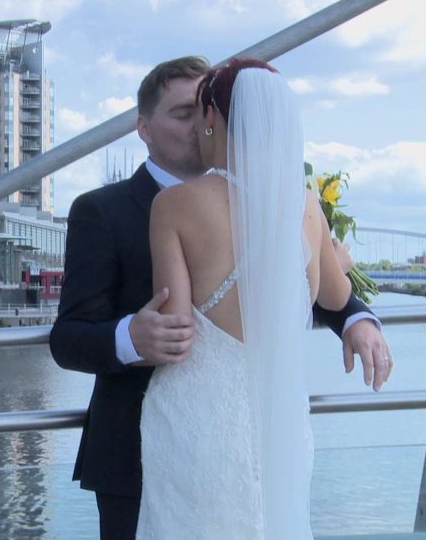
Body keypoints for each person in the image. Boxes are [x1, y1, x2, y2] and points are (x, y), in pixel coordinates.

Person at [49, 56, 393, 540]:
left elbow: (309, 294)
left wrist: (358, 319)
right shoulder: (99, 211)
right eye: (180, 114)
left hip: (262, 440)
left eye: (201, 110)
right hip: (134, 457)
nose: (196, 126)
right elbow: (67, 338)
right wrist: (130, 337)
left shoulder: (274, 200)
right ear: (144, 128)